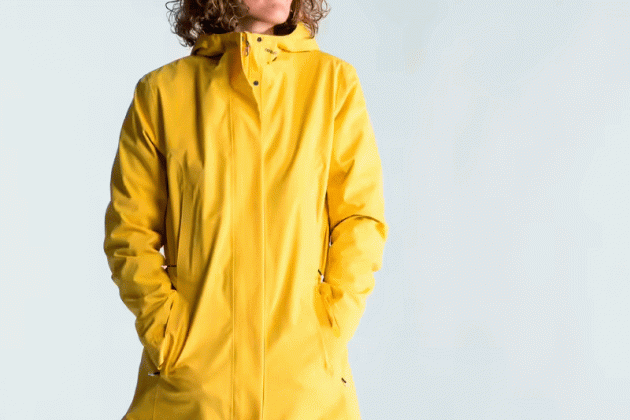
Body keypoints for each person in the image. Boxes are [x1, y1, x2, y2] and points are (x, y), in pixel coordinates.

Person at [102, 0, 388, 418]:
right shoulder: (161, 93)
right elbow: (129, 233)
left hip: (303, 387)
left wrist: (329, 326)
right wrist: (169, 334)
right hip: (195, 389)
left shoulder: (333, 85)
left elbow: (359, 220)